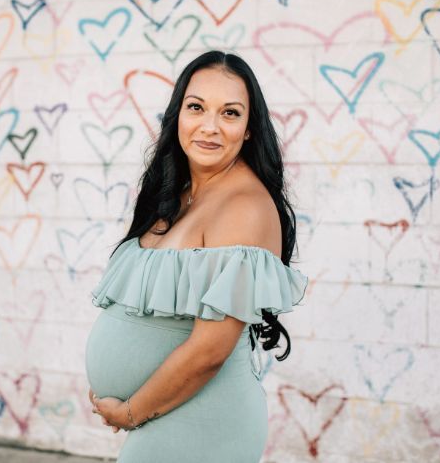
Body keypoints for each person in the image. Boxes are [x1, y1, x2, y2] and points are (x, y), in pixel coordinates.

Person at [84, 50, 308, 463]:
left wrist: (131, 411)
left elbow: (209, 350)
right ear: (178, 116)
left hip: (205, 422)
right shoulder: (180, 194)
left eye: (230, 113)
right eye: (196, 107)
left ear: (249, 130)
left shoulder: (244, 206)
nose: (209, 127)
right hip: (170, 416)